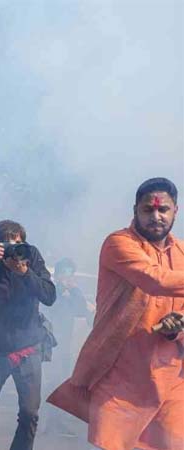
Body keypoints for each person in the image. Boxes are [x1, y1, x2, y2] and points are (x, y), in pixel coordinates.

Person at [48, 177, 184, 450]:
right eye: (148, 209)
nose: (156, 216)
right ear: (135, 210)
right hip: (121, 376)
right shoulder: (118, 243)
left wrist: (177, 330)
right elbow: (154, 279)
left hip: (170, 379)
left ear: (175, 211)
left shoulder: (181, 252)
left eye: (163, 209)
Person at [0, 220, 56, 450]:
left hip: (28, 347)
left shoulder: (30, 256)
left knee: (29, 413)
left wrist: (24, 272)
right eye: (6, 244)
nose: (12, 249)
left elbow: (49, 296)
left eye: (17, 243)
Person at [41, 257, 91, 437]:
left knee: (62, 383)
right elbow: (46, 309)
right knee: (51, 383)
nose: (67, 278)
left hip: (65, 346)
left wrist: (74, 291)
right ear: (57, 275)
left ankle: (57, 422)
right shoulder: (50, 290)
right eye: (64, 274)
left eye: (70, 274)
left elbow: (82, 310)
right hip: (49, 345)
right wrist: (61, 292)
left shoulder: (73, 293)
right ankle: (48, 422)